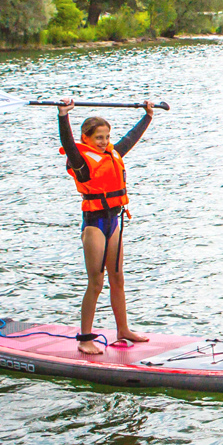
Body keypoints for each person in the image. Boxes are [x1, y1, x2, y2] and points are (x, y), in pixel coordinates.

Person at [58, 99, 155, 354]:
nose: (104, 141)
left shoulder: (112, 153)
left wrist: (147, 116)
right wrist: (63, 115)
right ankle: (85, 339)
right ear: (86, 138)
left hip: (115, 220)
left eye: (107, 137)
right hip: (95, 224)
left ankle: (123, 330)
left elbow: (130, 139)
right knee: (96, 282)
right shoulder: (80, 161)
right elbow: (68, 142)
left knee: (117, 278)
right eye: (98, 138)